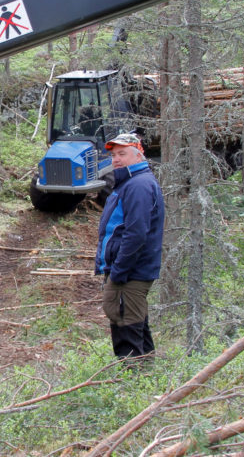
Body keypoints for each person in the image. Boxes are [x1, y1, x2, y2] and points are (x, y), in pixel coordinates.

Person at [95, 133, 164, 359]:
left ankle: (132, 383)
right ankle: (148, 379)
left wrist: (118, 273)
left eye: (122, 154)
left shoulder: (138, 185)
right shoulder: (129, 183)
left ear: (138, 154)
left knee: (125, 325)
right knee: (136, 324)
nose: (116, 159)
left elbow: (136, 234)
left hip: (130, 272)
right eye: (113, 155)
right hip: (129, 271)